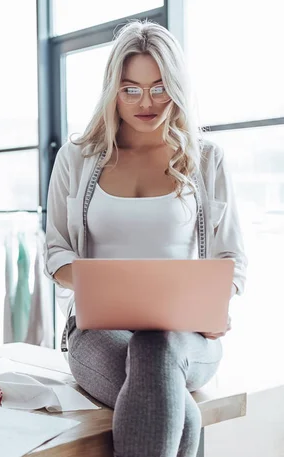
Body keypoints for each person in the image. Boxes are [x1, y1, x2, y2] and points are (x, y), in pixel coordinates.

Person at [44, 21, 247, 457]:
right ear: (112, 89)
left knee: (156, 347)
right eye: (130, 89)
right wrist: (96, 286)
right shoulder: (77, 158)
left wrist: (217, 305)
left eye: (159, 87)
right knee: (175, 406)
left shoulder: (207, 159)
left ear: (176, 86)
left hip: (189, 339)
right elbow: (55, 250)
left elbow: (233, 258)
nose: (146, 102)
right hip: (98, 333)